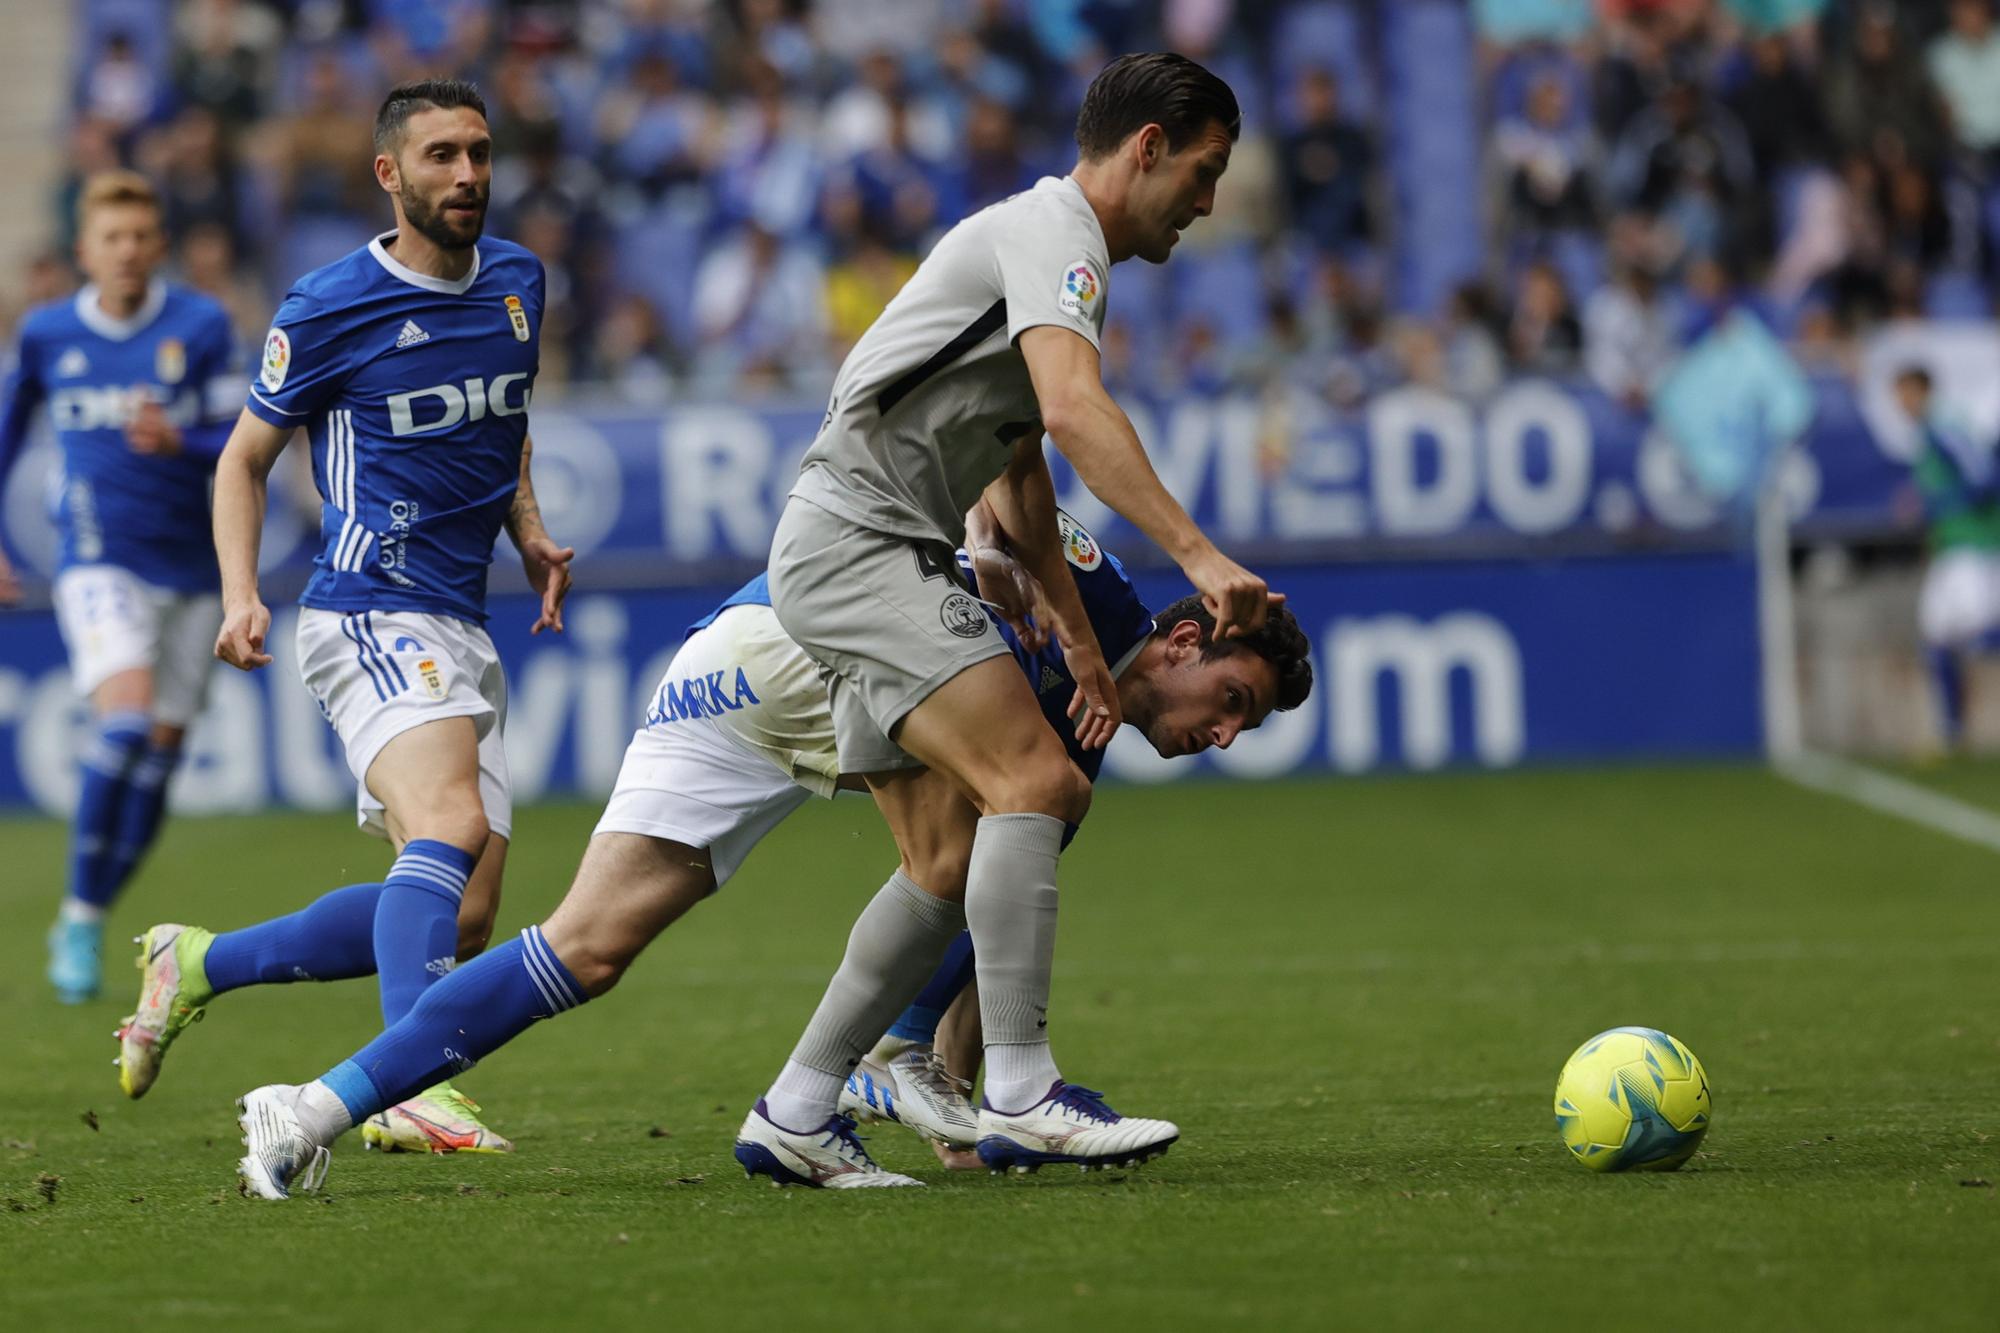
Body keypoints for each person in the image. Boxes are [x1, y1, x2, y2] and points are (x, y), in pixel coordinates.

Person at [219, 504, 1309, 1197]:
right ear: (1178, 640)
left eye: (1239, 728)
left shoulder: (1078, 730)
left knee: (584, 948)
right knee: (985, 831)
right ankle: (846, 1089)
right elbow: (995, 507)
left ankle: (309, 1107)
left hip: (727, 660)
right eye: (1228, 700)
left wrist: (965, 1132)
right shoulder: (1095, 606)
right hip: (816, 641)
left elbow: (996, 896)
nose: (1218, 734)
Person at [736, 50, 1280, 1186]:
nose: (1207, 203)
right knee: (1040, 785)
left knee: (940, 861)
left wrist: (1083, 648)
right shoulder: (1053, 235)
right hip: (860, 541)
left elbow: (1022, 465)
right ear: (1147, 148)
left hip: (855, 541)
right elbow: (1075, 410)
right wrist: (1196, 552)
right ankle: (1020, 1086)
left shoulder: (1042, 254)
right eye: (1203, 170)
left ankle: (794, 1109)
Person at [116, 79, 573, 1155]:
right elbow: (242, 459)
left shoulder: (518, 281)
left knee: (462, 917)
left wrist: (532, 531)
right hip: (365, 609)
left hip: (462, 618)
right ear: (389, 174)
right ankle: (404, 1085)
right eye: (440, 157)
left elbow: (505, 425)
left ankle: (196, 961)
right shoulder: (327, 304)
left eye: (477, 154)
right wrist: (240, 591)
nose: (466, 175)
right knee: (451, 828)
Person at [0, 171, 239, 1003]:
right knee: (126, 722)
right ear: (85, 250)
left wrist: (182, 438)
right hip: (98, 558)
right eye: (112, 238)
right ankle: (75, 914)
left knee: (160, 763)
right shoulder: (47, 334)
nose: (127, 251)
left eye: (141, 236)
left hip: (191, 569)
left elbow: (239, 441)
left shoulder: (200, 325)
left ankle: (90, 911)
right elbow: (6, 432)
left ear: (159, 245)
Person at [1895, 367, 2000, 749]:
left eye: (1905, 394)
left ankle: (1952, 729)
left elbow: (1983, 477)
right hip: (1952, 547)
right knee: (1937, 637)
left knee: (1975, 636)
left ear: (1922, 391)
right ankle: (1952, 731)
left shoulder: (1945, 428)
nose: (1900, 404)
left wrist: (1937, 505)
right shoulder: (1928, 434)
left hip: (1973, 545)